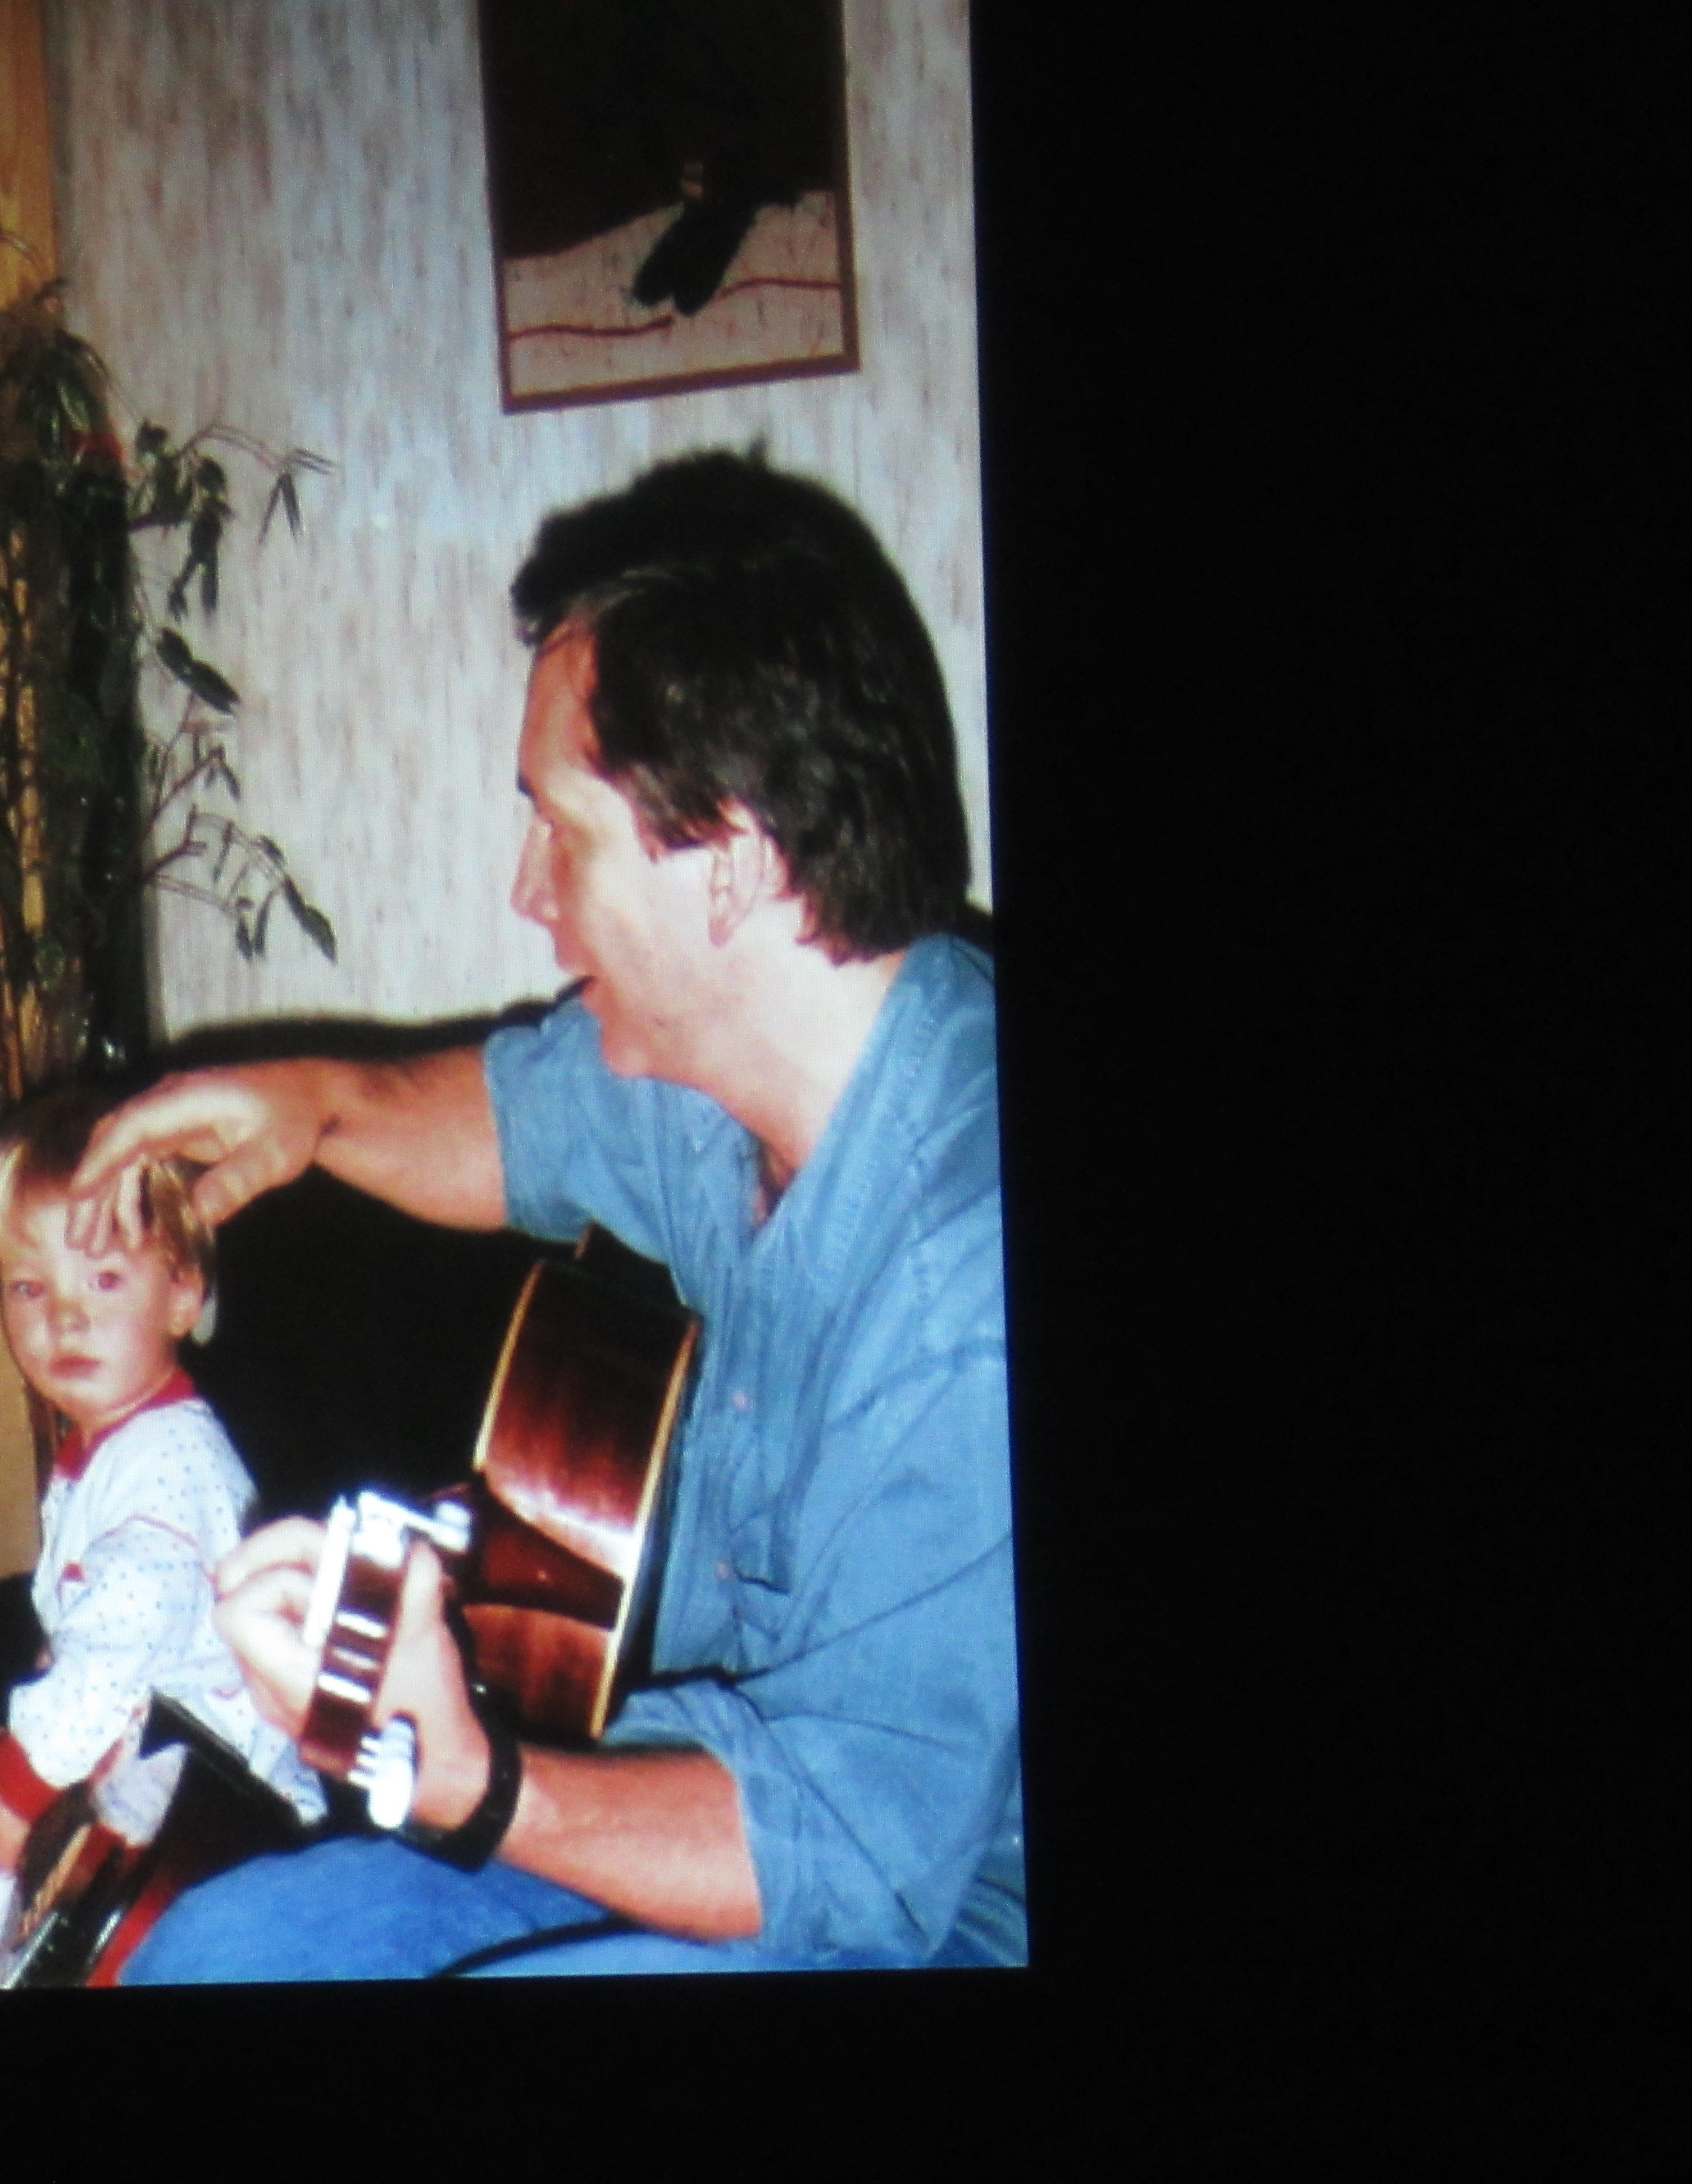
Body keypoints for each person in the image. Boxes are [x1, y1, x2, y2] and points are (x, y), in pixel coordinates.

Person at [68, 450, 1024, 1977]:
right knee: (220, 1953)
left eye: (560, 830)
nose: (529, 890)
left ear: (730, 865)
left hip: (926, 1911)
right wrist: (314, 1105)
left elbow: (849, 1861)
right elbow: (517, 1114)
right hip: (691, 1800)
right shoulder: (717, 1077)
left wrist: (472, 1781)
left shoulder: (967, 1281)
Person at [0, 1088, 324, 1991]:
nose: (66, 1317)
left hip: (204, 1810)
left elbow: (127, 1632)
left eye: (105, 1279)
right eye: (29, 1287)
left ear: (184, 1293)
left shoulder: (165, 1461)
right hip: (126, 1768)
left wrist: (13, 1787)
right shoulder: (115, 1449)